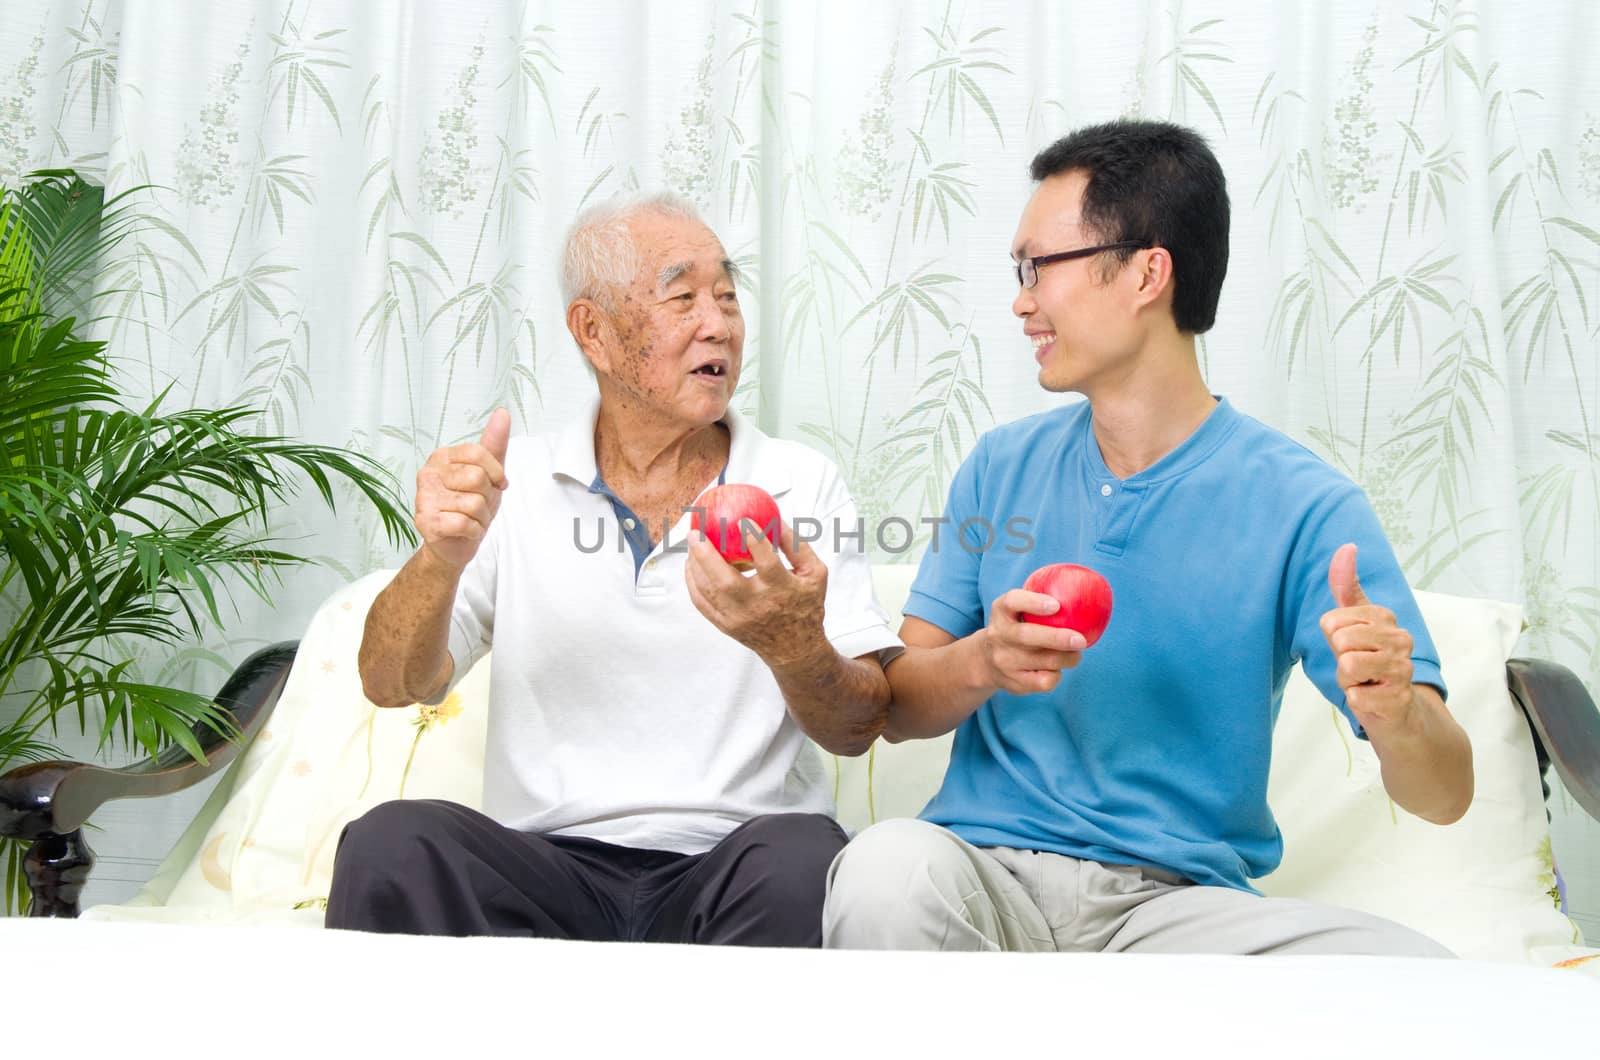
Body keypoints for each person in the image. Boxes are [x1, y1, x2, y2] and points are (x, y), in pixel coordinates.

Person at [822, 120, 1474, 956]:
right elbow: (901, 709)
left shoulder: (1304, 504)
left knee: (1412, 969)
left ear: (1145, 272)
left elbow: (1445, 796)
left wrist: (1396, 712)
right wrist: (987, 659)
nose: (1021, 300)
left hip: (1174, 915)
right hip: (983, 881)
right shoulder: (1000, 466)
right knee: (883, 869)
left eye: (1036, 267)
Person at [328, 191, 901, 945]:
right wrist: (441, 557)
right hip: (545, 865)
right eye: (682, 296)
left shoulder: (801, 480)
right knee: (389, 845)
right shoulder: (517, 480)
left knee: (803, 861)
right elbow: (392, 681)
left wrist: (794, 644)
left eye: (727, 296)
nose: (718, 323)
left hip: (731, 861)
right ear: (592, 331)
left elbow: (860, 724)